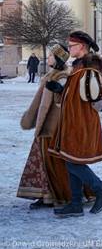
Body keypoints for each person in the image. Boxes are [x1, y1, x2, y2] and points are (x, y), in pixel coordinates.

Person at [48, 31, 102, 217]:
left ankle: (101, 190)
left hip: (81, 124)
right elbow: (72, 97)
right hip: (72, 122)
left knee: (73, 163)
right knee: (70, 161)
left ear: (81, 47)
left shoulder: (90, 70)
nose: (69, 49)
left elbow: (97, 102)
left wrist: (81, 115)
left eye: (72, 46)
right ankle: (75, 203)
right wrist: (60, 90)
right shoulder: (77, 69)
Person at [17, 44, 75, 208]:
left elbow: (62, 99)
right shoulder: (52, 75)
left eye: (51, 56)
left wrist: (59, 91)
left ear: (58, 59)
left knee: (52, 163)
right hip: (46, 127)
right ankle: (46, 195)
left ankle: (59, 195)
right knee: (42, 162)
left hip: (53, 127)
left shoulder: (62, 76)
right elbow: (39, 102)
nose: (48, 58)